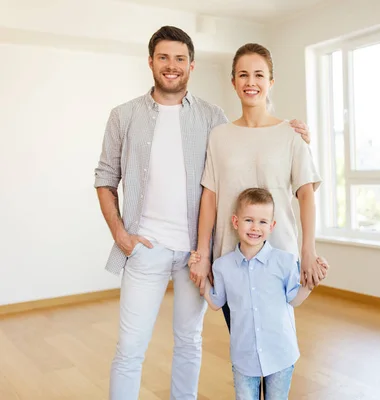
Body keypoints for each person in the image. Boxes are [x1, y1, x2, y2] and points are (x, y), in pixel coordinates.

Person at [94, 26, 312, 400]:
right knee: (129, 350)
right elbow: (104, 177)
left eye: (180, 59)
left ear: (192, 66)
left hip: (196, 254)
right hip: (145, 250)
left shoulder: (212, 118)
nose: (172, 66)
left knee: (190, 343)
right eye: (163, 57)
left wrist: (294, 129)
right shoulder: (124, 116)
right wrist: (121, 235)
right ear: (150, 62)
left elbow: (253, 136)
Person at [188, 43, 328, 332]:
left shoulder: (291, 134)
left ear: (271, 82)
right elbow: (210, 199)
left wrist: (309, 249)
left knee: (275, 349)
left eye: (259, 75)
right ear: (233, 82)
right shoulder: (219, 136)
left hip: (279, 255)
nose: (251, 82)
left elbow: (306, 195)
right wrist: (203, 254)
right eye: (243, 75)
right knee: (243, 352)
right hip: (230, 257)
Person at [190, 188, 322, 399]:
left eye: (262, 222)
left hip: (280, 354)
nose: (255, 227)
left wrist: (309, 284)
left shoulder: (284, 262)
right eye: (248, 220)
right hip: (244, 358)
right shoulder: (223, 266)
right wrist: (199, 273)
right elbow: (216, 302)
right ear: (235, 222)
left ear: (272, 226)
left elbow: (293, 299)